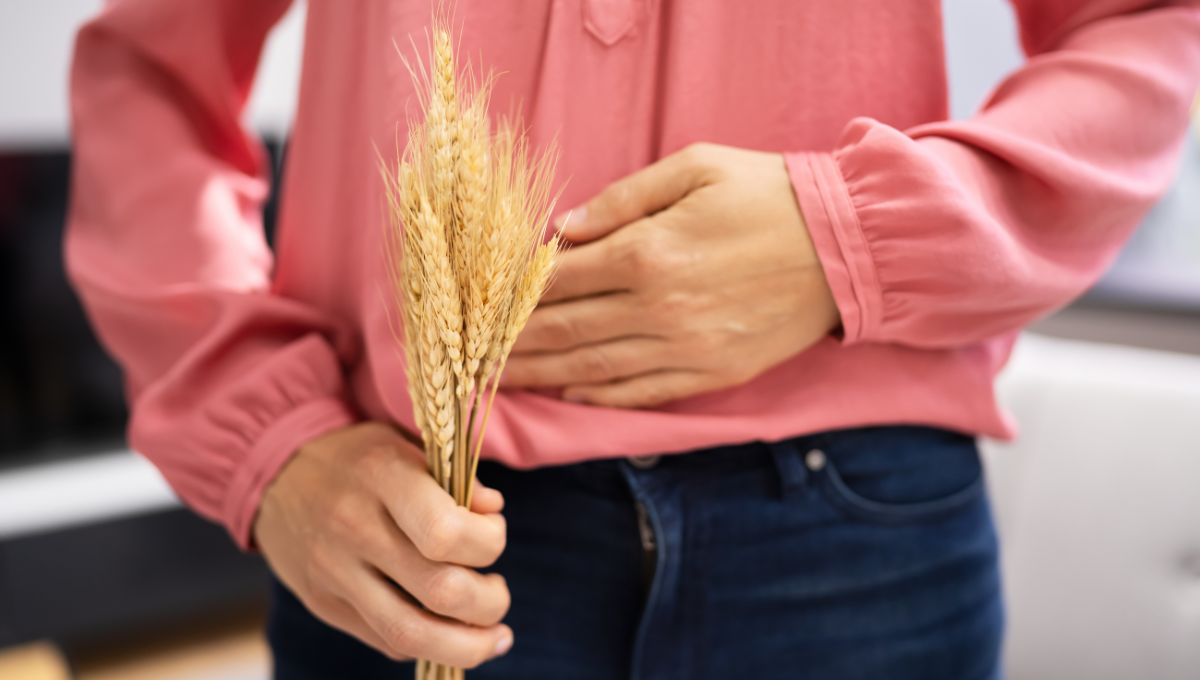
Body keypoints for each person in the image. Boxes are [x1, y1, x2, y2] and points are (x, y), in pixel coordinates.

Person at [68, 1, 1200, 678]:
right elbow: (148, 74)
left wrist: (850, 234)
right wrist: (269, 440)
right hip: (414, 536)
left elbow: (1152, 26)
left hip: (854, 544)